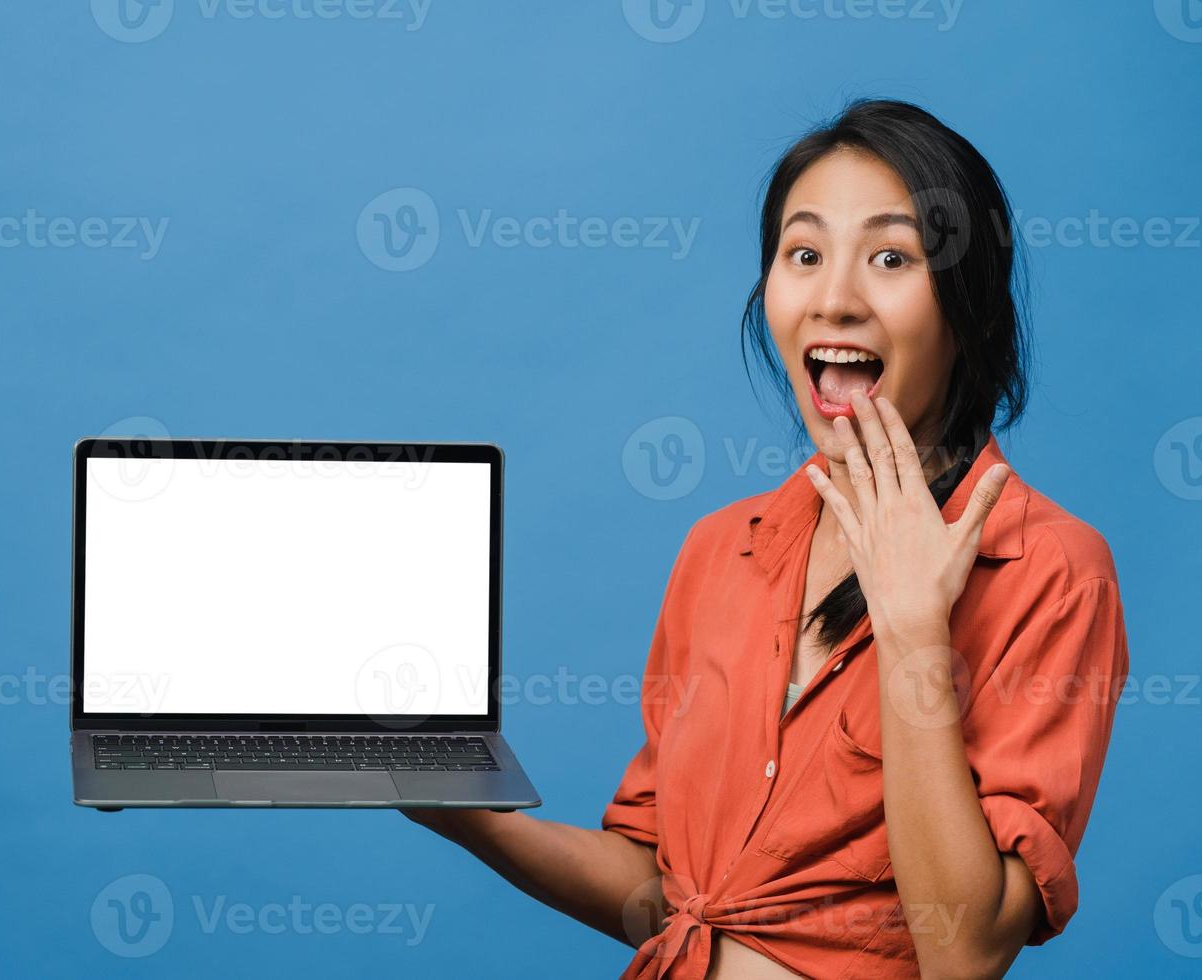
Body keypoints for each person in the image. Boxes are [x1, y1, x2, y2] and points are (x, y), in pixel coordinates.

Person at [402, 98, 1130, 979]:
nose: (835, 298)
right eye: (805, 254)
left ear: (968, 311)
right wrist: (456, 809)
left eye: (891, 258)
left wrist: (911, 632)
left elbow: (965, 952)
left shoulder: (1050, 570)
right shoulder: (720, 551)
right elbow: (665, 901)